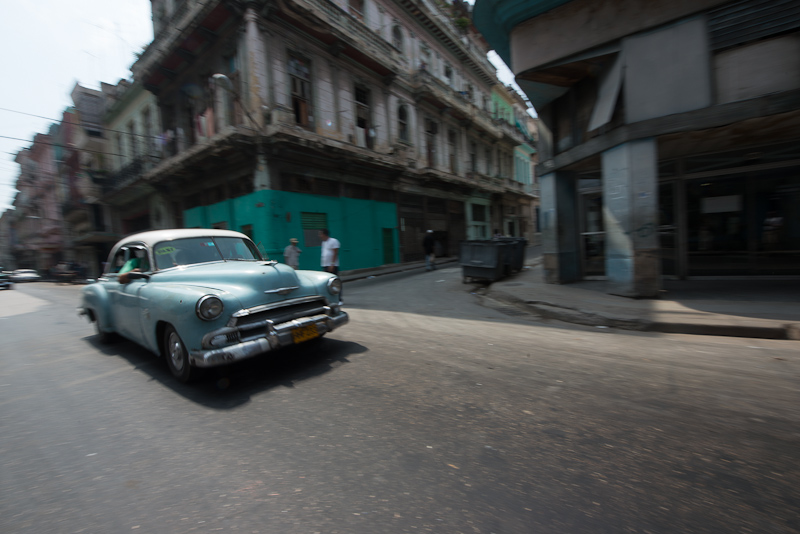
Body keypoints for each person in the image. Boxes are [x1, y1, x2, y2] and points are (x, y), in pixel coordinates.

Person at [319, 228, 342, 302]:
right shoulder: (323, 242)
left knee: (335, 283)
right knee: (327, 283)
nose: (319, 235)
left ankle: (339, 299)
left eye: (320, 234)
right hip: (325, 265)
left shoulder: (333, 241)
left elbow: (335, 253)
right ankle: (329, 299)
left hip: (332, 266)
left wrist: (332, 264)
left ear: (324, 234)